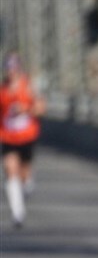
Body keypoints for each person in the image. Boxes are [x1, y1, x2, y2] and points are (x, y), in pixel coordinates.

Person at [1, 52, 45, 228]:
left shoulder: (28, 87)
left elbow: (41, 108)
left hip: (27, 136)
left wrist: (25, 110)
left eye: (13, 68)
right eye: (8, 69)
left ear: (18, 69)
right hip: (7, 137)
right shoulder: (2, 90)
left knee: (24, 174)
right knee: (10, 169)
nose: (11, 72)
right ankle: (17, 213)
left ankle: (26, 186)